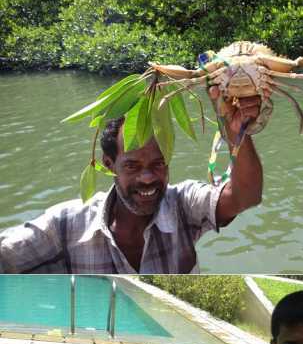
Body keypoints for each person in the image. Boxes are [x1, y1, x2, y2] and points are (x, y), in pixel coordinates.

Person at [0, 89, 265, 274]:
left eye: (158, 164)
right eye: (132, 166)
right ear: (108, 165)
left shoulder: (183, 205)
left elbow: (246, 196)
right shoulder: (66, 225)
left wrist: (235, 130)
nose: (147, 178)